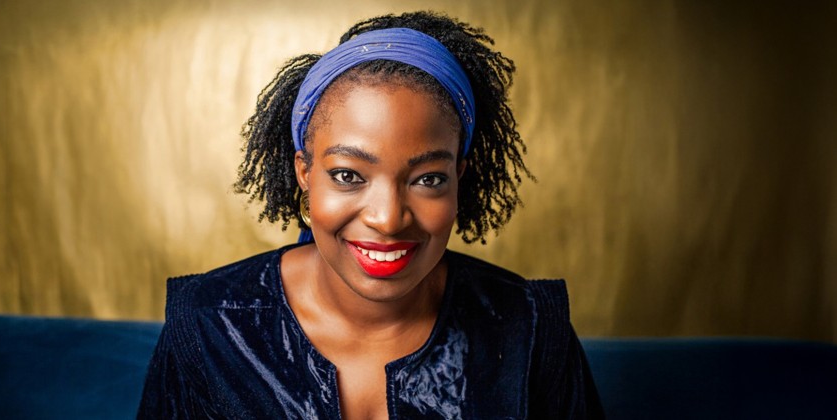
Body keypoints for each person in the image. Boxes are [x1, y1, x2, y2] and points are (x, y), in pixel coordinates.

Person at [138, 11, 603, 419]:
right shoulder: (208, 323)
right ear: (304, 171)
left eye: (427, 179)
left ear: (459, 177)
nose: (387, 218)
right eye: (348, 175)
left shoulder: (531, 327)